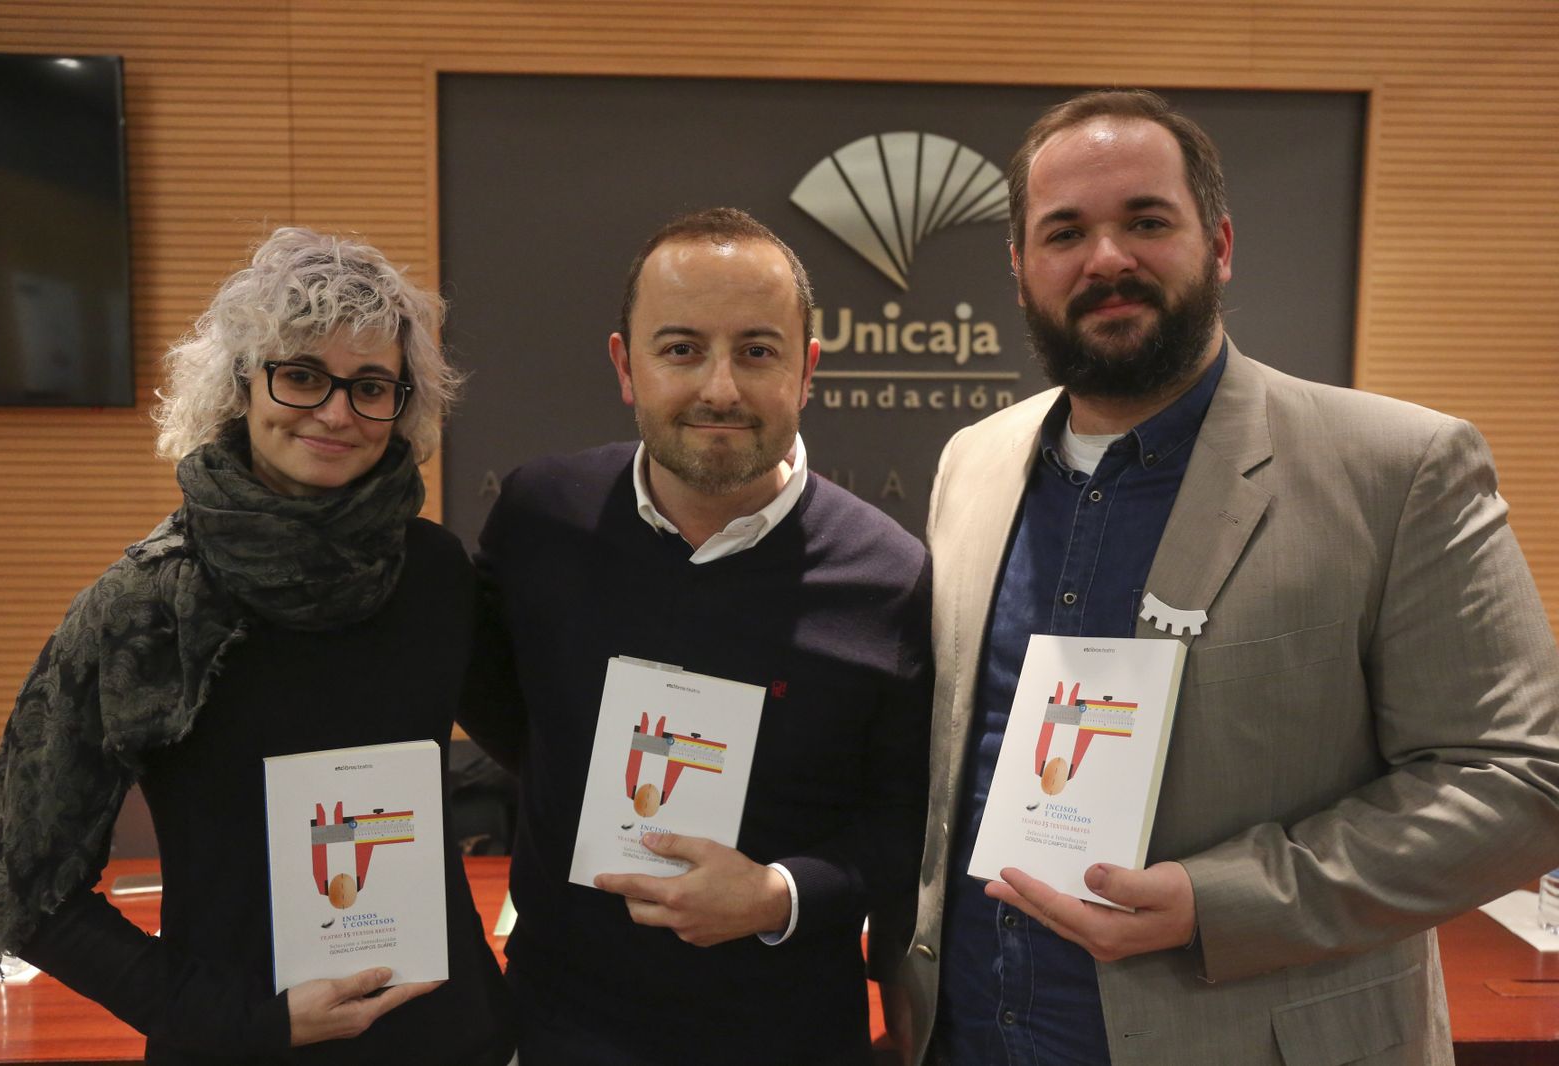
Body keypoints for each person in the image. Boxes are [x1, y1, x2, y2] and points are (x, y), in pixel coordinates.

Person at [888, 89, 1559, 1066]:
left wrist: (1221, 901)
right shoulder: (972, 465)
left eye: (1145, 221)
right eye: (1064, 231)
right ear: (1021, 269)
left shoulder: (1398, 468)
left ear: (1220, 243)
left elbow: (1521, 779)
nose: (1104, 257)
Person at [0, 227, 517, 1065]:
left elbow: (538, 748)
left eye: (370, 385)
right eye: (301, 375)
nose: (336, 412)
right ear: (241, 385)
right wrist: (241, 1018)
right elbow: (27, 891)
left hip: (453, 1039)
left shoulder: (436, 574)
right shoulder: (150, 605)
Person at [465, 207, 932, 1066]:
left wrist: (778, 893)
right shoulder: (540, 519)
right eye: (681, 349)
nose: (720, 388)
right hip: (562, 1026)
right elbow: (514, 719)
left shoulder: (891, 578)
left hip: (789, 1038)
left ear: (808, 370)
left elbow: (910, 822)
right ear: (626, 366)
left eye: (757, 351)